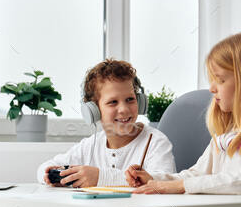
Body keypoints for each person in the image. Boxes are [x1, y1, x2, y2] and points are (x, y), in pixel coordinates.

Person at [125, 31, 241, 195]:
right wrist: (154, 179)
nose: (212, 88)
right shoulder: (227, 134)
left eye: (220, 80)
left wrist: (182, 186)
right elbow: (196, 175)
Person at [37, 59, 176, 187]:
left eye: (130, 99)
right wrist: (53, 176)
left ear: (139, 102)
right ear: (94, 110)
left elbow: (164, 183)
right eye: (113, 102)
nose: (124, 109)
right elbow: (45, 167)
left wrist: (100, 177)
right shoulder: (90, 145)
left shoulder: (156, 142)